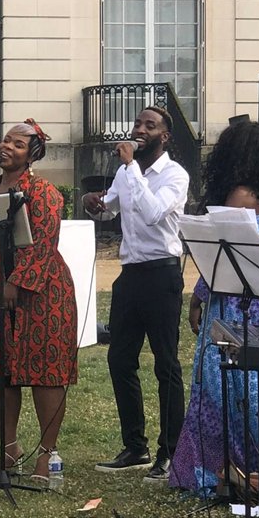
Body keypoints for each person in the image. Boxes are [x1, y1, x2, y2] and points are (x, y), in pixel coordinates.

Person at [169, 121, 259, 494]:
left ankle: (225, 466)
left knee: (222, 382)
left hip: (234, 299)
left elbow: (220, 256)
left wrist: (197, 297)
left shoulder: (238, 195)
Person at [81, 105, 190, 476]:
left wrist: (130, 169)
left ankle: (170, 451)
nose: (139, 129)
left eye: (149, 125)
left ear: (165, 136)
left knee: (166, 365)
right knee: (120, 360)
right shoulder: (127, 173)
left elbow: (154, 213)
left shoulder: (175, 175)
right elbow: (109, 210)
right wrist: (92, 204)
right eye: (138, 123)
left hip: (162, 276)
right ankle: (135, 447)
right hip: (130, 274)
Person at [0, 120, 79, 480]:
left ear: (32, 154)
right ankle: (8, 449)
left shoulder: (44, 192)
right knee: (0, 369)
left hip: (43, 289)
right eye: (6, 139)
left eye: (18, 144)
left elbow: (43, 244)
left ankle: (46, 454)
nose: (8, 146)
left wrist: (16, 283)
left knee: (44, 371)